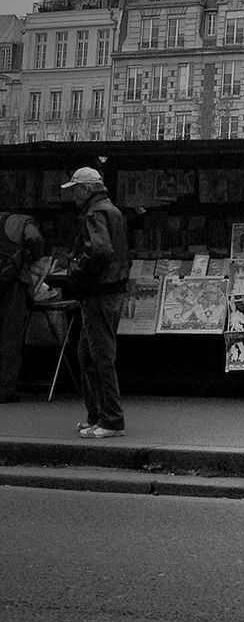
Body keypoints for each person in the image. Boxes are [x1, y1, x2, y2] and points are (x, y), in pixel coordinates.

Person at [57, 167, 131, 439]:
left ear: (86, 189)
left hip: (99, 292)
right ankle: (98, 415)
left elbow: (99, 251)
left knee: (99, 357)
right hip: (112, 290)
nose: (73, 195)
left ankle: (111, 420)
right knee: (89, 354)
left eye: (75, 189)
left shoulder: (94, 213)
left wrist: (75, 269)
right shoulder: (112, 210)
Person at [0, 211, 46, 402]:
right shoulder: (22, 221)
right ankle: (4, 389)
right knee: (10, 336)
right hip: (11, 283)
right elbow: (34, 238)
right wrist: (32, 256)